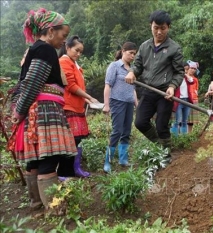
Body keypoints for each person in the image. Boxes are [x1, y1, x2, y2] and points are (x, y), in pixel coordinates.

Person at [9, 8, 75, 212]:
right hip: (45, 111)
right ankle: (56, 210)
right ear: (50, 30)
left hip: (34, 112)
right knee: (49, 159)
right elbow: (32, 83)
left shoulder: (33, 49)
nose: (64, 41)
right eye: (63, 35)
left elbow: (24, 84)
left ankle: (36, 203)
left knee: (35, 159)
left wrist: (19, 111)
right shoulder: (45, 49)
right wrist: (18, 111)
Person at [125, 10, 184, 164]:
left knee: (161, 125)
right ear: (150, 26)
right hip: (148, 90)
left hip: (165, 93)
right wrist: (132, 73)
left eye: (163, 28)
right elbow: (137, 65)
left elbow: (179, 72)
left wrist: (172, 86)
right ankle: (160, 146)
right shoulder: (145, 47)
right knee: (140, 122)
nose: (159, 32)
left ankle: (166, 156)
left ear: (168, 27)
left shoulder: (174, 48)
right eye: (156, 27)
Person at [58, 35, 99, 178]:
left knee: (78, 139)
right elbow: (70, 85)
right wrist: (88, 97)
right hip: (69, 107)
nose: (79, 54)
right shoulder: (64, 61)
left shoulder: (75, 64)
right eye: (76, 50)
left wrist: (87, 100)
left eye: (81, 51)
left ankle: (75, 168)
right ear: (67, 48)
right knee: (70, 140)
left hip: (78, 107)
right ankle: (64, 172)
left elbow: (78, 87)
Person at [103, 42, 138, 173]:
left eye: (134, 54)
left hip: (129, 103)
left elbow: (133, 89)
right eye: (130, 53)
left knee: (127, 131)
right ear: (123, 51)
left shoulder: (132, 69)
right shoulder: (115, 66)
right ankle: (108, 161)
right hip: (117, 101)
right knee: (117, 131)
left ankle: (123, 159)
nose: (132, 56)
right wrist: (106, 105)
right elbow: (108, 86)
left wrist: (136, 103)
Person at [170, 61, 194, 136]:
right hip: (178, 101)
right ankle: (175, 137)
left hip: (187, 100)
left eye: (187, 69)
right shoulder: (176, 78)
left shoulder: (187, 78)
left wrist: (186, 75)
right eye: (184, 69)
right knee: (177, 120)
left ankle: (184, 137)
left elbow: (192, 81)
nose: (186, 71)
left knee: (185, 121)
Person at [186, 60, 200, 133]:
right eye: (192, 68)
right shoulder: (183, 77)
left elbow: (196, 90)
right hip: (184, 99)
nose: (193, 70)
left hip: (193, 99)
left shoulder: (195, 79)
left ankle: (189, 134)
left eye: (195, 69)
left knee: (191, 120)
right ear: (188, 68)